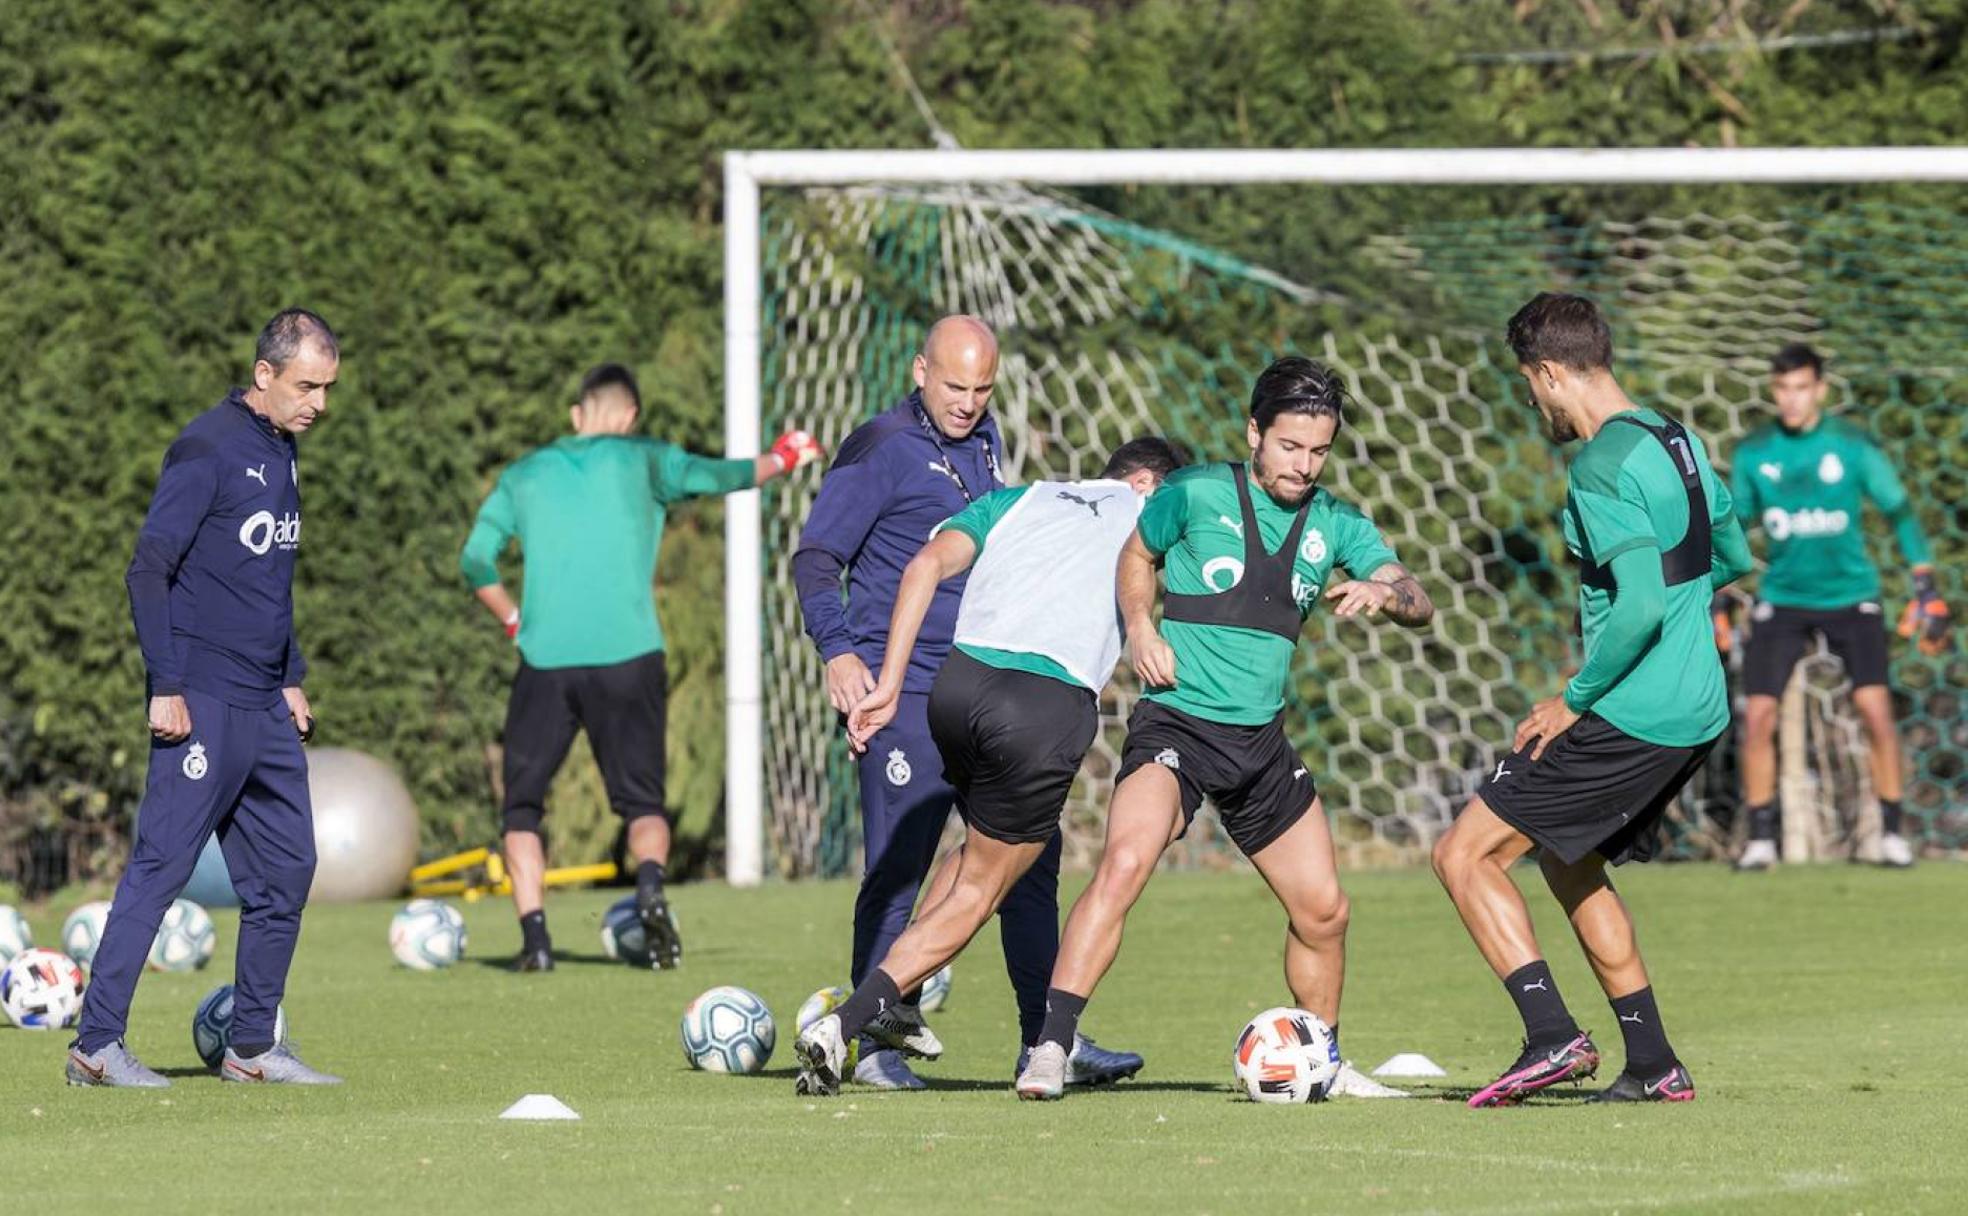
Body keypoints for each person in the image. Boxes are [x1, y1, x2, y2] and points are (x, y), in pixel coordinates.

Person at [1014, 355, 1434, 1102]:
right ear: (1254, 434)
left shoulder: (1334, 521)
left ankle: (1324, 1061)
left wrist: (1385, 589)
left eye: (1318, 450)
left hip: (1260, 745)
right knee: (1125, 864)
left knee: (1326, 909)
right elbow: (1137, 554)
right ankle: (1049, 1049)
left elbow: (1417, 598)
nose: (1303, 465)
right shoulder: (1195, 492)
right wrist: (1140, 625)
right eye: (1289, 447)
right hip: (1178, 724)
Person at [793, 315, 1140, 1090]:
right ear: (920, 370)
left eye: (983, 389)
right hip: (905, 691)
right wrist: (841, 653)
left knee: (1034, 861)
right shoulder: (880, 449)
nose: (969, 402)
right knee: (900, 866)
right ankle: (873, 1045)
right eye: (955, 386)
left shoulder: (983, 443)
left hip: (978, 680)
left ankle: (1045, 1040)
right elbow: (817, 556)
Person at [1432, 292, 1754, 1108]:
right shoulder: (1675, 439)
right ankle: (1653, 1062)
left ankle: (1552, 1038)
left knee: (1464, 855)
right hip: (1696, 707)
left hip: (1635, 710)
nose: (1533, 401)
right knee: (1570, 860)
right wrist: (1685, 626)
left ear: (1549, 372)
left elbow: (1640, 604)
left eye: (1528, 385)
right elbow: (1734, 550)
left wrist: (1574, 699)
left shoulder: (1600, 463)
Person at [461, 363, 821, 971]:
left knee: (521, 807)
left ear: (578, 416)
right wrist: (783, 457)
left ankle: (537, 943)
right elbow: (720, 476)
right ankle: (650, 885)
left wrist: (513, 619)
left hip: (545, 660)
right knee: (643, 803)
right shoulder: (646, 458)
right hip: (629, 656)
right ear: (629, 417)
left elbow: (475, 560)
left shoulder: (525, 473)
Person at [70, 309, 342, 1088]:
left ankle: (252, 1047)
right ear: (265, 375)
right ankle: (95, 1046)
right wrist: (166, 684)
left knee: (289, 868)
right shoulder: (205, 448)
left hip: (264, 703)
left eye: (327, 388)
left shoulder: (283, 450)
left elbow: (268, 582)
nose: (318, 402)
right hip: (204, 701)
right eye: (306, 386)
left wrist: (290, 673)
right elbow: (147, 570)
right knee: (160, 867)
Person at [1725, 343, 1949, 871]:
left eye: (1801, 387)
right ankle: (1760, 839)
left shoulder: (1851, 446)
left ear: (1820, 389)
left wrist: (1924, 579)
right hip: (1782, 597)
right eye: (1782, 388)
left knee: (1875, 711)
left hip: (1852, 596)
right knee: (1757, 718)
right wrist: (1713, 589)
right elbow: (1731, 525)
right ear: (1773, 390)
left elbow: (1898, 509)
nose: (1791, 399)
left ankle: (1892, 834)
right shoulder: (1755, 452)